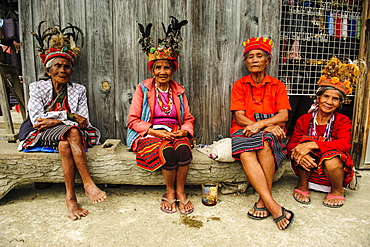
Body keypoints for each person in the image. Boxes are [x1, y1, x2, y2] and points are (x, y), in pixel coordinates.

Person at [18, 22, 107, 220]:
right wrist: (67, 116)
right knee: (72, 132)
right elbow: (37, 119)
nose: (63, 70)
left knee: (66, 144)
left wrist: (55, 120)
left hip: (64, 133)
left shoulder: (79, 90)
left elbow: (83, 121)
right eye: (58, 66)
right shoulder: (36, 88)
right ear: (49, 70)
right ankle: (87, 183)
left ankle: (71, 198)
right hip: (39, 132)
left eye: (67, 66)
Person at [127, 17, 195, 214]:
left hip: (174, 130)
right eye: (158, 67)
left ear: (173, 69)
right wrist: (155, 132)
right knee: (167, 151)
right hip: (149, 132)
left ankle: (181, 192)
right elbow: (133, 120)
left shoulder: (179, 91)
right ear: (153, 70)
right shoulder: (143, 88)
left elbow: (188, 119)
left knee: (183, 148)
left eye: (166, 67)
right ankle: (169, 191)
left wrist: (184, 131)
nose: (162, 71)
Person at [230, 37, 294, 230]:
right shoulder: (240, 85)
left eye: (260, 56)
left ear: (268, 61)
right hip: (244, 128)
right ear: (246, 61)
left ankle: (261, 199)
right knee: (246, 150)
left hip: (269, 130)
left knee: (265, 143)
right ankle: (272, 204)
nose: (255, 60)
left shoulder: (277, 85)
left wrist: (262, 126)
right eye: (250, 57)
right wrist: (265, 126)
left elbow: (283, 115)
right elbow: (240, 117)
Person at [287, 57, 363, 208]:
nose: (329, 102)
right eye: (326, 96)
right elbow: (291, 144)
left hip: (332, 173)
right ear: (318, 98)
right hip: (309, 170)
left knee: (331, 158)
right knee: (300, 149)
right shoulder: (305, 119)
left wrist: (313, 145)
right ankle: (303, 185)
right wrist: (299, 150)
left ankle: (337, 190)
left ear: (340, 103)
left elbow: (344, 144)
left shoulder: (342, 121)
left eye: (335, 99)